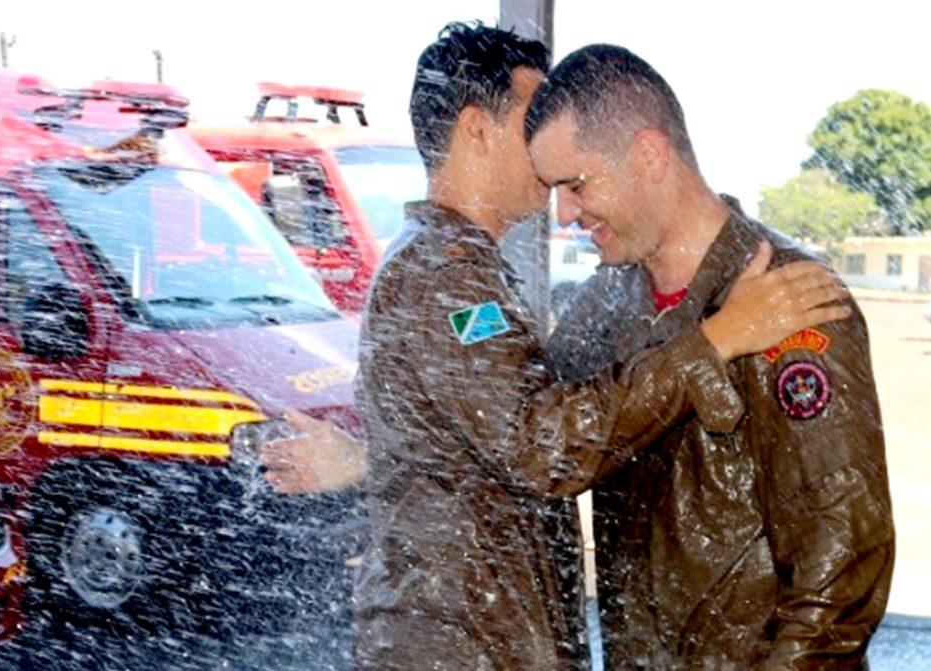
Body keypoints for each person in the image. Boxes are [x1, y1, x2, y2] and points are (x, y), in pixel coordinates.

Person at [342, 22, 851, 671]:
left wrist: (362, 457)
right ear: (475, 128)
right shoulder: (449, 276)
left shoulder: (451, 264)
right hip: (464, 648)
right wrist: (718, 336)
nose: (549, 140)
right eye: (533, 118)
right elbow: (540, 443)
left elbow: (488, 425)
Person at [525, 44, 893, 669]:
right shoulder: (611, 298)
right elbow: (544, 443)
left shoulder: (793, 298)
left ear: (648, 154)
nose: (563, 214)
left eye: (575, 184)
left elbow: (841, 572)